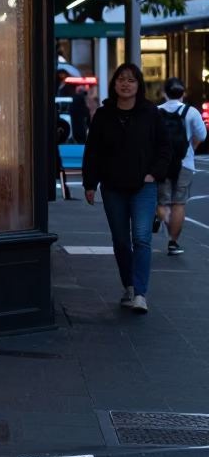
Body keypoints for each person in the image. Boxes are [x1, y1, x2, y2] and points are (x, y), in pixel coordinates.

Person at [82, 63, 170, 314]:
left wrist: (154, 174)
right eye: (121, 79)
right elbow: (93, 152)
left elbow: (164, 148)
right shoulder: (104, 115)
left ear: (139, 84)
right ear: (114, 84)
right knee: (121, 241)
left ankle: (140, 293)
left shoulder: (150, 113)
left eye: (131, 80)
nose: (126, 84)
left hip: (143, 186)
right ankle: (129, 287)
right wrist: (90, 184)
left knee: (141, 238)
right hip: (112, 187)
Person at [155, 77, 205, 256]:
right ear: (183, 93)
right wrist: (191, 147)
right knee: (179, 203)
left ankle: (161, 217)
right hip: (185, 163)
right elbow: (202, 135)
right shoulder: (191, 112)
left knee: (162, 202)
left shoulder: (156, 111)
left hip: (161, 164)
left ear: (164, 93)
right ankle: (173, 243)